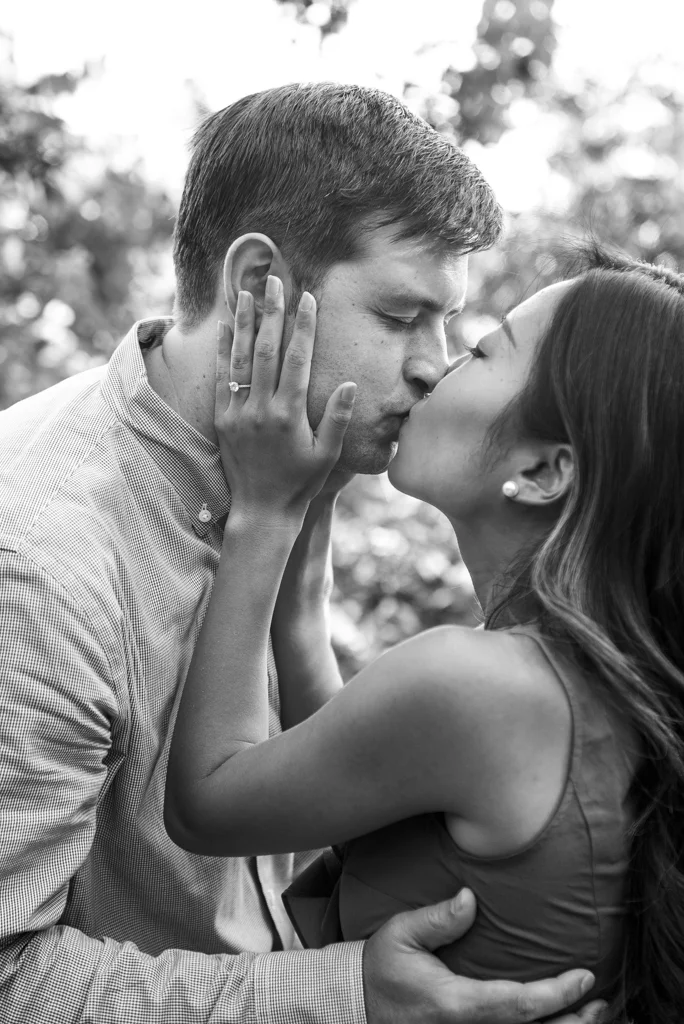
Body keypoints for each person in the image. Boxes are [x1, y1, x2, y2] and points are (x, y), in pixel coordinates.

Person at [0, 82, 602, 1024]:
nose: (434, 364)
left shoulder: (293, 468)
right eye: (403, 316)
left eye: (450, 324)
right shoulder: (41, 568)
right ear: (256, 290)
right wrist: (343, 993)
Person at [164, 241, 684, 1024]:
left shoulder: (483, 687)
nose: (434, 369)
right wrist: (319, 475)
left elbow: (207, 804)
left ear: (545, 473)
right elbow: (340, 751)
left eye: (480, 351)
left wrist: (265, 514)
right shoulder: (572, 681)